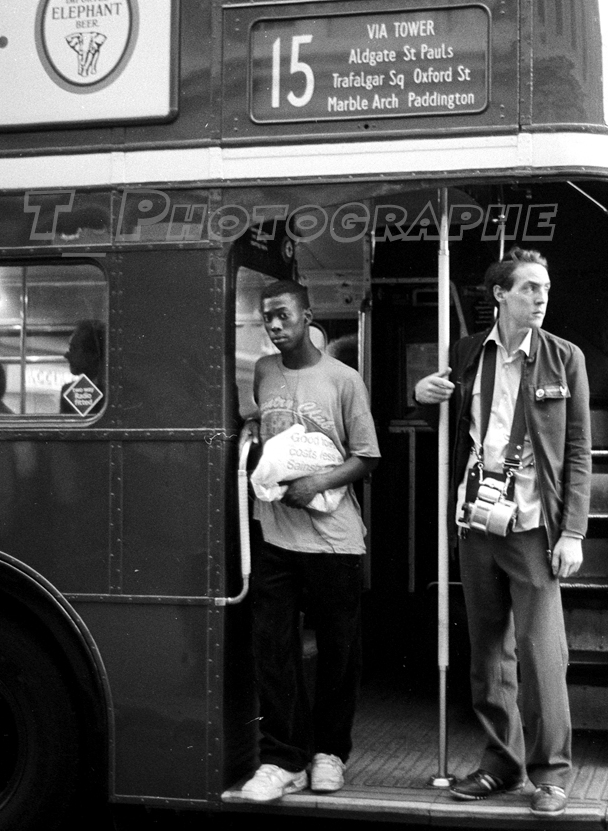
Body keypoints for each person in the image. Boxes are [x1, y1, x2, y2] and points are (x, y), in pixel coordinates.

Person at [413, 247, 590, 819]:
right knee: (488, 651)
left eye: (544, 288)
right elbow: (449, 428)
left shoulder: (564, 358)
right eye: (529, 288)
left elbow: (578, 451)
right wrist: (423, 398)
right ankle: (501, 763)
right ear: (500, 294)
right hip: (476, 520)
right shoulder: (466, 353)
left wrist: (574, 532)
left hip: (533, 526)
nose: (540, 298)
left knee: (541, 653)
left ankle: (551, 774)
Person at [241, 279, 380, 802]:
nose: (275, 325)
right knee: (273, 649)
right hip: (275, 535)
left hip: (333, 541)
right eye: (267, 318)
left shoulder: (344, 379)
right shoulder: (263, 371)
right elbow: (263, 426)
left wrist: (316, 483)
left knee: (338, 654)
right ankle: (282, 759)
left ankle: (329, 754)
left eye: (283, 315)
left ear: (307, 316)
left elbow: (367, 456)